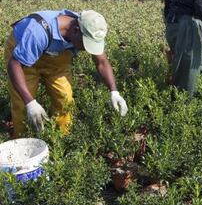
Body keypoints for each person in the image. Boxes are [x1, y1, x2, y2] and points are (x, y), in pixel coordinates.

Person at [4, 9, 128, 138]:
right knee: (22, 104)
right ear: (75, 30)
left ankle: (62, 138)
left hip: (55, 58)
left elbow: (101, 61)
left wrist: (114, 92)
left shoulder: (89, 28)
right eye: (85, 44)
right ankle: (23, 142)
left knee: (64, 98)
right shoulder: (38, 32)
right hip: (22, 56)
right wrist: (30, 102)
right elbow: (15, 64)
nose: (86, 49)